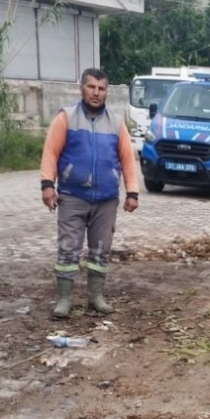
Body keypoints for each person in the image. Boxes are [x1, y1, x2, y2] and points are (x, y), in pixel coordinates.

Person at [40, 68, 140, 318]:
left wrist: (132, 192)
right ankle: (64, 300)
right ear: (82, 88)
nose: (96, 93)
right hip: (72, 196)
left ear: (106, 92)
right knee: (68, 249)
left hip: (106, 199)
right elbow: (50, 152)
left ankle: (96, 297)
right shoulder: (67, 117)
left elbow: (128, 160)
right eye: (91, 87)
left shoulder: (116, 123)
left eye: (101, 88)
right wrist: (47, 185)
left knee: (100, 250)